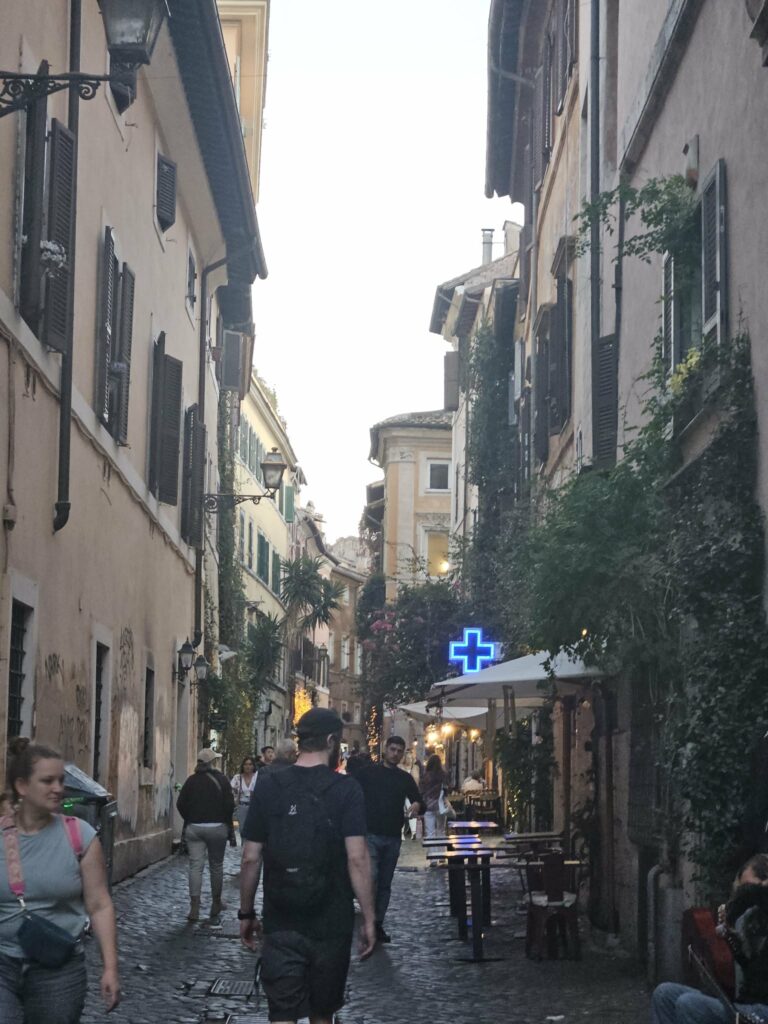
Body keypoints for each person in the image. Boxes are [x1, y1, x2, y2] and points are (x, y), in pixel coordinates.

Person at [239, 707, 375, 1024]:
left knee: (282, 1013)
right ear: (331, 741)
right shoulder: (347, 790)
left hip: (281, 918)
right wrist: (369, 918)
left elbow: (250, 857)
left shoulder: (269, 785)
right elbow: (357, 858)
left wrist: (246, 913)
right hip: (331, 922)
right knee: (322, 1013)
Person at [0, 738, 120, 1022]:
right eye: (47, 781)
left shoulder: (81, 836)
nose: (58, 788)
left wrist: (110, 968)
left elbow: (100, 905)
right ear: (22, 787)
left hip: (58, 970)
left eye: (61, 780)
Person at [651, 854, 768, 1023]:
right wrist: (734, 943)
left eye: (749, 886)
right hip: (747, 1006)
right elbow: (752, 976)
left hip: (763, 1010)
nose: (745, 895)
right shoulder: (755, 923)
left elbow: (751, 894)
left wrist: (732, 909)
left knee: (689, 1004)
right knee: (664, 993)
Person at [356, 735, 424, 943]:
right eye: (392, 749)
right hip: (371, 834)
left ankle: (377, 924)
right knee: (373, 878)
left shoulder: (404, 779)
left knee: (385, 883)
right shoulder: (368, 773)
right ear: (386, 749)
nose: (395, 754)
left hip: (393, 836)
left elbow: (419, 800)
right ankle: (368, 921)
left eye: (399, 751)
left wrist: (416, 806)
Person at [176, 748, 234, 922]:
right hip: (217, 828)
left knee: (195, 866)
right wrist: (224, 820)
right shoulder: (222, 780)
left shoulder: (191, 781)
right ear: (212, 763)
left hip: (195, 828)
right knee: (216, 866)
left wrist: (191, 817)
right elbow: (230, 805)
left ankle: (194, 908)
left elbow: (181, 804)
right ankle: (216, 902)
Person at [230, 755, 258, 843]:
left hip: (254, 807)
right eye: (246, 764)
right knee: (242, 829)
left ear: (253, 766)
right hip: (242, 806)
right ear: (243, 766)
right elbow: (230, 790)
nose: (248, 766)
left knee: (253, 830)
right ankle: (243, 846)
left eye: (250, 764)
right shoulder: (237, 778)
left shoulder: (257, 777)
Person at [420, 754, 447, 839]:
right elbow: (446, 789)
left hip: (428, 805)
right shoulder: (443, 775)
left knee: (430, 832)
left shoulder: (425, 776)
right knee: (441, 830)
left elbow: (421, 791)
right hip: (441, 805)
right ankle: (442, 851)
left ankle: (432, 851)